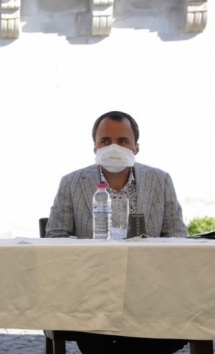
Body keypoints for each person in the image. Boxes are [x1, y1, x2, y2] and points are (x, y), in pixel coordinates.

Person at [45, 110, 187, 354]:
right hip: (92, 294)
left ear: (136, 147)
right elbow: (55, 239)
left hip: (151, 292)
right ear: (95, 148)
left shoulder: (160, 180)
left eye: (122, 141)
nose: (114, 148)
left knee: (167, 332)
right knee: (102, 336)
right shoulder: (72, 183)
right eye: (105, 141)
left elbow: (177, 237)